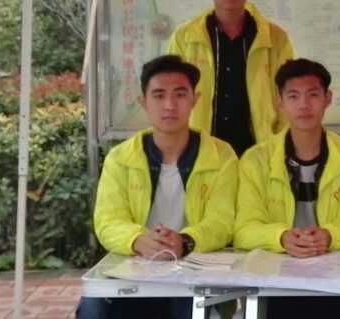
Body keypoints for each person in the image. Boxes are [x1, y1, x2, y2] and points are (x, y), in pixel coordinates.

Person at [77, 54, 239, 319]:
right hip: (134, 268)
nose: (169, 105)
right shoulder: (121, 158)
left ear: (195, 100)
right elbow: (108, 221)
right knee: (93, 308)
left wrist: (185, 241)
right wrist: (139, 240)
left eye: (180, 94)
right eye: (159, 95)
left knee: (194, 310)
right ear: (143, 102)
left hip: (195, 271)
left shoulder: (221, 156)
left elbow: (222, 222)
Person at [235, 58, 340, 318]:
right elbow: (243, 229)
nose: (304, 105)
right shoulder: (255, 159)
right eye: (293, 96)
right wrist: (282, 237)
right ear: (279, 102)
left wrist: (328, 236)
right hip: (273, 282)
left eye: (313, 95)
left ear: (328, 98)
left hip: (336, 282)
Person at [167, 0, 295, 156]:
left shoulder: (276, 39)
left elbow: (289, 98)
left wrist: (278, 147)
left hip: (259, 153)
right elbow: (171, 97)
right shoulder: (184, 39)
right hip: (200, 153)